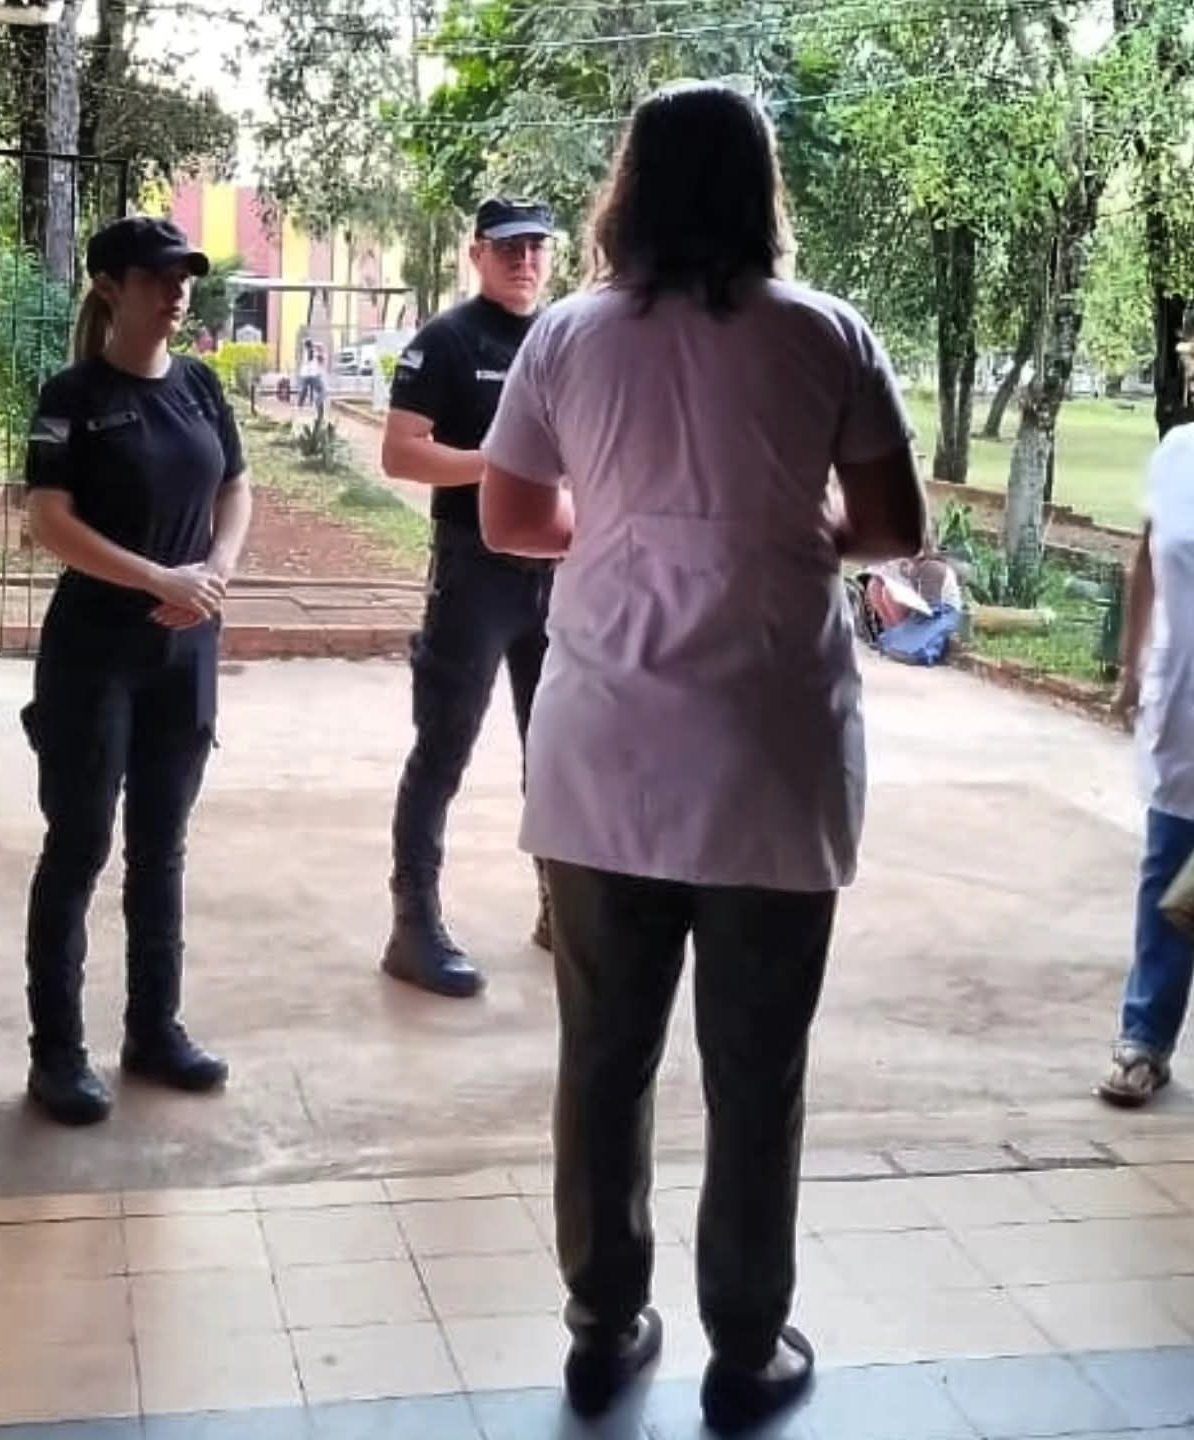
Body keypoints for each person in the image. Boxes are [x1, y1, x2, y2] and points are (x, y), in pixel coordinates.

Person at [480, 84, 925, 1426]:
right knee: (756, 1067)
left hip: (604, 754)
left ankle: (602, 1327)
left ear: (628, 192)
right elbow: (892, 526)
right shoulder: (827, 334)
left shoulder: (566, 336)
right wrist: (777, 531)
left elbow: (509, 519)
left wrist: (627, 528)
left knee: (603, 1058)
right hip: (770, 757)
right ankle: (746, 1345)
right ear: (759, 190)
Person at [20, 216, 253, 1127]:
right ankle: (57, 1054)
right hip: (96, 651)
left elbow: (235, 485)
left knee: (163, 845)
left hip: (185, 648)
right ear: (112, 286)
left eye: (183, 276)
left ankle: (154, 1031)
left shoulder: (199, 386)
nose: (176, 291)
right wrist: (160, 577)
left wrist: (214, 573)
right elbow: (49, 519)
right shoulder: (72, 394)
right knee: (80, 844)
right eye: (157, 277)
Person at [377, 197, 559, 998]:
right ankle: (413, 925)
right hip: (474, 572)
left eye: (537, 248)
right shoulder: (447, 340)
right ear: (478, 253)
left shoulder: (561, 338)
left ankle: (562, 907)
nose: (525, 262)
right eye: (509, 248)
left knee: (557, 751)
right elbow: (401, 453)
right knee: (444, 748)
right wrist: (499, 462)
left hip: (556, 572)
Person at [1099, 340, 1194, 1107]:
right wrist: (1132, 672)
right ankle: (1144, 1039)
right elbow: (1146, 561)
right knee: (1170, 878)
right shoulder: (1177, 452)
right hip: (1183, 706)